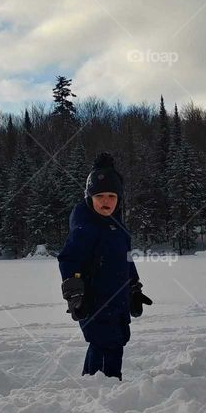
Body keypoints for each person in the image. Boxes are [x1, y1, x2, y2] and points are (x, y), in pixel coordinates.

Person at [58, 152, 152, 380]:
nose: (106, 201)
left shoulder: (118, 227)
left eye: (112, 195)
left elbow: (126, 259)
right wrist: (74, 293)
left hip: (117, 300)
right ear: (90, 198)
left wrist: (134, 288)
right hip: (94, 301)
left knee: (118, 340)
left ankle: (108, 384)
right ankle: (98, 388)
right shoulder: (85, 227)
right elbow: (69, 259)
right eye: (100, 196)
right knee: (103, 342)